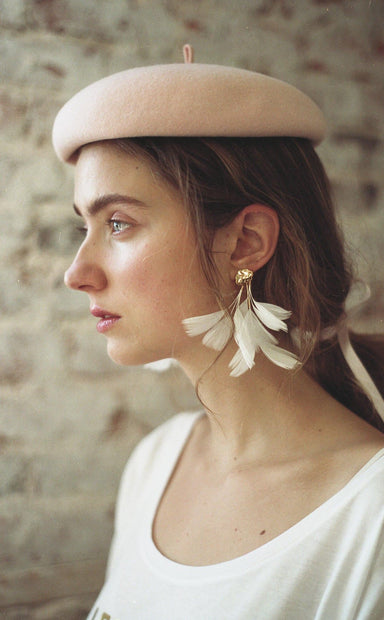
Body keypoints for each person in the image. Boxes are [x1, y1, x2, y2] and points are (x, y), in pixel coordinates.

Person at [52, 46, 384, 619]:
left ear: (247, 242)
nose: (77, 273)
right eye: (83, 226)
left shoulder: (371, 518)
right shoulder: (155, 463)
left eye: (119, 223)